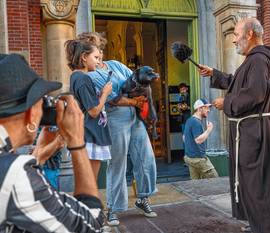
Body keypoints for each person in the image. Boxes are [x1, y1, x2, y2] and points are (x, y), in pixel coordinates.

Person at [198, 18, 270, 233]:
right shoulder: (256, 59)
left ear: (249, 34)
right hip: (252, 130)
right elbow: (240, 83)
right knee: (253, 184)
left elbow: (254, 93)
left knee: (256, 184)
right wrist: (215, 74)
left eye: (236, 34)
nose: (233, 40)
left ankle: (266, 227)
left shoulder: (258, 60)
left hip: (252, 133)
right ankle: (261, 225)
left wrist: (226, 103)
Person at [0, 53, 104, 232]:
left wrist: (39, 155)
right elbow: (90, 223)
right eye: (42, 102)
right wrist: (77, 143)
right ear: (31, 113)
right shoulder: (14, 174)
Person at [78, 32, 158, 226]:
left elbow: (134, 79)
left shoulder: (115, 64)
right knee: (118, 164)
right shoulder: (91, 75)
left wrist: (140, 94)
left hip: (135, 118)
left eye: (101, 48)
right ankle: (113, 208)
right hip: (115, 120)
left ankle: (143, 198)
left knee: (145, 157)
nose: (101, 53)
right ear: (86, 52)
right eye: (96, 49)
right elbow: (114, 98)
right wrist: (134, 100)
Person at [65, 39, 113, 181]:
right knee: (89, 183)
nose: (98, 62)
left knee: (85, 182)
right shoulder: (83, 79)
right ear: (84, 57)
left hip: (85, 134)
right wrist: (105, 93)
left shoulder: (76, 77)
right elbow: (93, 111)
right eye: (96, 57)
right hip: (90, 135)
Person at [183, 98, 218, 179]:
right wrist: (209, 129)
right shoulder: (196, 122)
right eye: (206, 107)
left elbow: (184, 138)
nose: (208, 110)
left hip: (190, 158)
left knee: (196, 184)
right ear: (199, 109)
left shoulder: (189, 120)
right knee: (215, 179)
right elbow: (198, 140)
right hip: (199, 159)